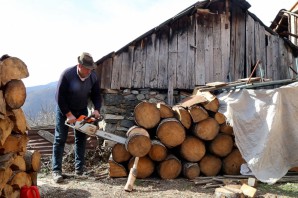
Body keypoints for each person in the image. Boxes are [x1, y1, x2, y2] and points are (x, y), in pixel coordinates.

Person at [52, 52, 101, 183]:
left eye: (91, 69)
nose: (89, 71)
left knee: (81, 138)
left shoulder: (93, 77)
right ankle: (56, 170)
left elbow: (96, 95)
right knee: (60, 138)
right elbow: (59, 97)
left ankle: (79, 169)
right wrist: (68, 114)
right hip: (64, 110)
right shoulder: (67, 75)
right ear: (79, 65)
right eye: (87, 68)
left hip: (81, 109)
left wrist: (97, 109)